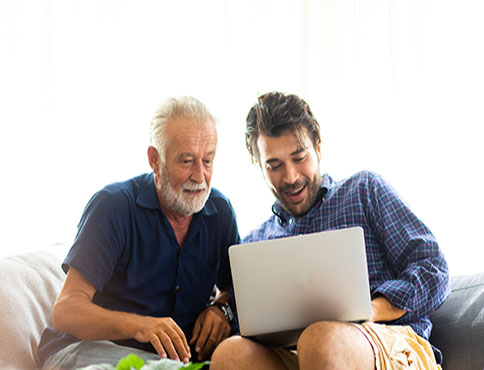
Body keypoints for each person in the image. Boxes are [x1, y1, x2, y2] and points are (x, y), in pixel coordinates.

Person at [210, 92, 450, 370]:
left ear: (318, 148)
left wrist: (372, 309)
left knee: (320, 338)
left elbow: (434, 269)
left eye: (299, 157)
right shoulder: (255, 243)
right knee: (230, 355)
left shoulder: (364, 191)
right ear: (257, 164)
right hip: (295, 354)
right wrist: (221, 309)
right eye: (274, 166)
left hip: (386, 341)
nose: (290, 177)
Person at [38, 96, 240, 370]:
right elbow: (67, 310)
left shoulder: (221, 213)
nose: (200, 175)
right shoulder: (113, 206)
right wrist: (140, 326)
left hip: (170, 363)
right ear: (154, 160)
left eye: (208, 160)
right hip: (88, 351)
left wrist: (221, 309)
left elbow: (234, 288)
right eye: (186, 161)